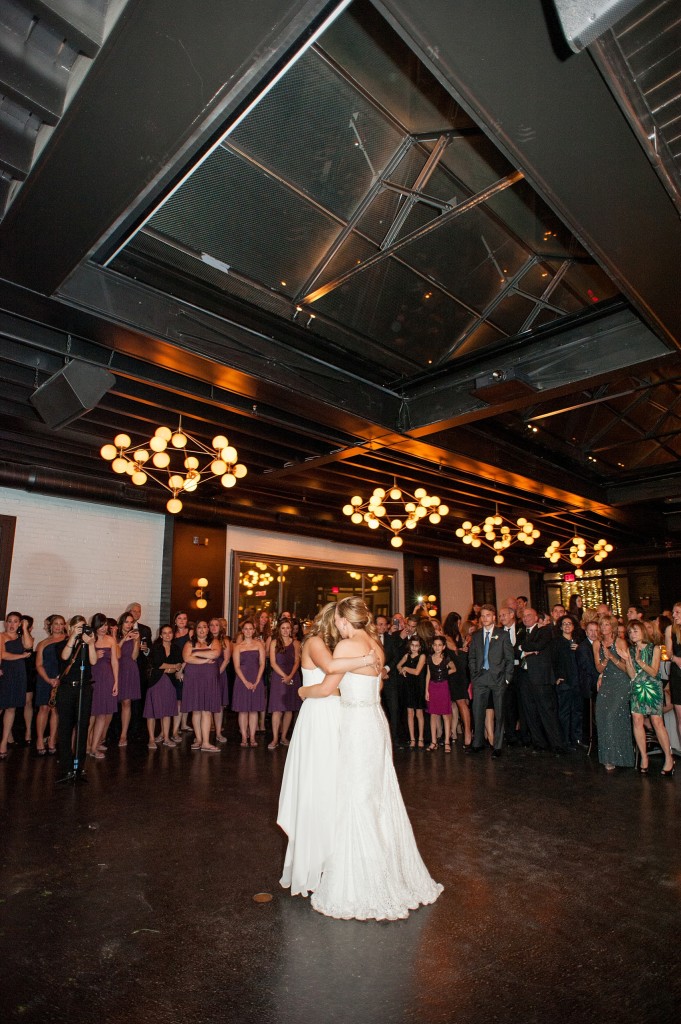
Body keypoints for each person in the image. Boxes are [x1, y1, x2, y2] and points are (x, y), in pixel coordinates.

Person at [299, 596, 443, 921]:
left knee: (355, 797)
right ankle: (388, 868)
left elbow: (326, 688)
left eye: (337, 619)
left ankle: (362, 881)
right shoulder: (376, 645)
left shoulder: (347, 646)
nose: (336, 624)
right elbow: (375, 687)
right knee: (378, 795)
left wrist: (301, 692)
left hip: (356, 724)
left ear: (345, 621)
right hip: (375, 721)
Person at [277, 603, 378, 897]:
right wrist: (367, 658)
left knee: (336, 787)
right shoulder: (314, 641)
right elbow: (330, 671)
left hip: (337, 713)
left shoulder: (341, 644)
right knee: (317, 785)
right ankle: (313, 863)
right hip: (319, 715)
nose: (340, 623)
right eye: (337, 618)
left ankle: (334, 859)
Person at [625, 620, 674, 776]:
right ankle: (643, 757)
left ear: (643, 632)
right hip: (637, 688)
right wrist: (627, 661)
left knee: (657, 722)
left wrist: (639, 661)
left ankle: (668, 757)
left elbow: (653, 672)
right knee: (637, 720)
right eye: (630, 632)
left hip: (652, 688)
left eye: (635, 631)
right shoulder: (631, 650)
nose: (633, 634)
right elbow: (632, 675)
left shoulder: (655, 648)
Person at [517, 608, 567, 754]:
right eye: (524, 616)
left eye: (528, 615)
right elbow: (513, 649)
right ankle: (539, 743)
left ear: (536, 617)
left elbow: (538, 645)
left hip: (540, 677)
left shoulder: (544, 631)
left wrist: (522, 648)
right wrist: (523, 650)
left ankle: (557, 745)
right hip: (524, 676)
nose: (525, 618)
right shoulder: (521, 632)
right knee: (530, 712)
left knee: (547, 711)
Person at [56, 615, 98, 782]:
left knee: (82, 727)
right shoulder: (62, 643)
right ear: (70, 627)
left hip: (84, 688)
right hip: (67, 688)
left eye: (84, 627)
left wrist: (91, 644)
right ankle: (66, 767)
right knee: (65, 728)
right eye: (78, 627)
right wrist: (73, 637)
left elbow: (93, 661)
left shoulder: (87, 645)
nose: (82, 630)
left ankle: (79, 766)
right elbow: (65, 657)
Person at [468, 604, 514, 756]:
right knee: (477, 711)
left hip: (498, 679)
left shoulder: (502, 635)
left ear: (494, 617)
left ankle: (498, 746)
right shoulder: (476, 635)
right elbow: (472, 657)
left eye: (488, 615)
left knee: (499, 713)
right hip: (480, 678)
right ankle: (478, 743)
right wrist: (474, 676)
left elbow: (509, 658)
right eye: (482, 616)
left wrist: (507, 679)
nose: (484, 618)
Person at [594, 615, 634, 771]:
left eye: (606, 624)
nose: (604, 627)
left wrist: (612, 657)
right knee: (602, 716)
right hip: (607, 683)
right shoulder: (597, 643)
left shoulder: (620, 642)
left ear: (612, 626)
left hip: (621, 683)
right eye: (601, 625)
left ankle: (620, 755)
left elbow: (626, 668)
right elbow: (598, 668)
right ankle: (608, 758)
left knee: (613, 716)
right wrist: (605, 660)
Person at [181, 620, 222, 752]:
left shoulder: (214, 642)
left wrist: (196, 652)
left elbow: (215, 654)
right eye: (199, 627)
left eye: (205, 627)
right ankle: (199, 740)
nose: (202, 629)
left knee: (206, 710)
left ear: (208, 629)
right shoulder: (189, 643)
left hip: (209, 679)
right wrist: (205, 659)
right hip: (193, 678)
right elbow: (187, 658)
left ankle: (205, 742)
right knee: (196, 710)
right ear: (195, 629)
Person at [144, 626, 184, 749]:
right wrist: (171, 667)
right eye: (164, 633)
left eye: (170, 632)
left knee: (167, 711)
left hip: (170, 683)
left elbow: (179, 665)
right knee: (151, 712)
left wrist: (170, 668)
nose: (167, 635)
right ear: (160, 635)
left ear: (173, 634)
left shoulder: (176, 648)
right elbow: (158, 664)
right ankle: (151, 739)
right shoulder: (155, 647)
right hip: (156, 682)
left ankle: (166, 738)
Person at [0, 611, 33, 758]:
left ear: (19, 623)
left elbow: (29, 645)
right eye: (9, 621)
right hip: (5, 672)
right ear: (5, 622)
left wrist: (25, 628)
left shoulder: (22, 637)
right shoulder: (1, 636)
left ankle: (3, 743)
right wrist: (21, 656)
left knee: (11, 708)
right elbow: (2, 655)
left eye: (15, 621)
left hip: (18, 673)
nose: (11, 624)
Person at [34, 614, 67, 755]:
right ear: (51, 626)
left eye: (61, 623)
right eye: (56, 623)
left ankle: (52, 740)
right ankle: (40, 740)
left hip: (61, 678)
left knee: (56, 710)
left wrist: (60, 677)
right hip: (45, 678)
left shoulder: (68, 640)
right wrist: (48, 679)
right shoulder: (42, 643)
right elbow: (39, 664)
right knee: (44, 708)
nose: (58, 626)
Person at [88, 612, 119, 759]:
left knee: (102, 714)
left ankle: (94, 747)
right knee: (89, 714)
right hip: (91, 677)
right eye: (100, 625)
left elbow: (115, 662)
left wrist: (116, 681)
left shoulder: (111, 640)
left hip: (106, 677)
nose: (103, 628)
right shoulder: (88, 639)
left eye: (105, 625)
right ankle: (85, 745)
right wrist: (93, 654)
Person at [268, 618, 301, 749]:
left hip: (293, 676)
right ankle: (275, 738)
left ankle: (283, 737)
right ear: (279, 629)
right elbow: (272, 663)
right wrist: (284, 676)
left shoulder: (296, 643)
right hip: (278, 677)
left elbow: (297, 661)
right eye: (283, 628)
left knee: (289, 709)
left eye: (288, 628)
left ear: (291, 629)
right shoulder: (274, 642)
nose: (286, 630)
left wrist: (291, 676)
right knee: (277, 709)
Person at [553, 615, 582, 749]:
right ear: (560, 627)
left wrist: (579, 651)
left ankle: (576, 739)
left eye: (569, 623)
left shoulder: (578, 642)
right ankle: (564, 741)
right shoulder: (557, 643)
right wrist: (556, 678)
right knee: (564, 713)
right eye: (564, 624)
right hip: (564, 683)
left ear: (574, 626)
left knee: (577, 712)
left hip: (577, 682)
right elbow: (552, 662)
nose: (567, 626)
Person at [116, 611, 141, 747]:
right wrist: (124, 639)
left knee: (127, 702)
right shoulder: (114, 634)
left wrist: (136, 641)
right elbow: (116, 653)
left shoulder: (135, 635)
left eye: (131, 622)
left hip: (130, 668)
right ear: (122, 622)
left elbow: (134, 656)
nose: (129, 625)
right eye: (127, 622)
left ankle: (123, 734)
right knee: (111, 703)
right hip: (116, 668)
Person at [425, 636, 454, 752]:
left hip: (443, 686)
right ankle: (434, 741)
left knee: (446, 715)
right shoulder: (429, 658)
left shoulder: (446, 658)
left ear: (444, 647)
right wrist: (426, 690)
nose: (437, 647)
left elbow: (454, 668)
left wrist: (444, 673)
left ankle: (447, 741)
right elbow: (428, 674)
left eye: (439, 645)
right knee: (433, 715)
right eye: (435, 645)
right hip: (432, 686)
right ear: (432, 646)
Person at [397, 637, 426, 749]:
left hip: (418, 686)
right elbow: (398, 665)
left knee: (419, 713)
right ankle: (412, 738)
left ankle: (421, 738)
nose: (414, 647)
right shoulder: (406, 655)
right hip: (408, 686)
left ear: (420, 646)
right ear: (409, 645)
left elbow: (417, 671)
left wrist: (405, 668)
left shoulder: (422, 656)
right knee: (410, 713)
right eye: (412, 645)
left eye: (416, 645)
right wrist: (401, 670)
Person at [664, 603, 681, 741]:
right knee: (680, 715)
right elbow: (668, 652)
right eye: (674, 612)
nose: (674, 615)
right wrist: (676, 659)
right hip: (677, 672)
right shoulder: (670, 630)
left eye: (677, 612)